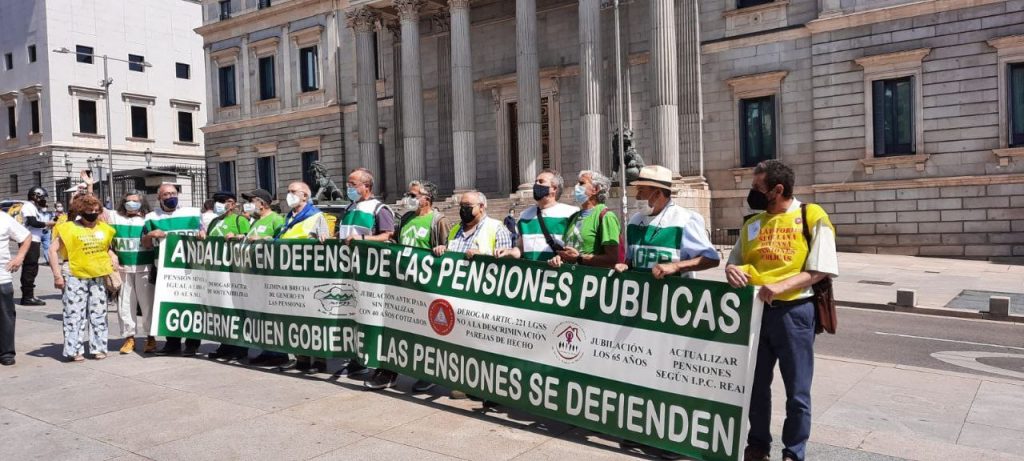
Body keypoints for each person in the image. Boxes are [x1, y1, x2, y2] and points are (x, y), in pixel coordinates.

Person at [724, 160, 838, 461]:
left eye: (757, 188)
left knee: (797, 391)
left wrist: (781, 286)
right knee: (756, 386)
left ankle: (793, 452)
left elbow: (821, 269)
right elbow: (733, 260)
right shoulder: (752, 223)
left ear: (778, 189)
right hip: (756, 314)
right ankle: (758, 445)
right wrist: (731, 269)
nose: (752, 193)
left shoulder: (811, 216)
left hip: (795, 312)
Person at [364, 180, 450, 391]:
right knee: (394, 328)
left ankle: (427, 372)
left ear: (426, 199)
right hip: (400, 283)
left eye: (413, 195)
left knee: (424, 333)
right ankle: (389, 370)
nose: (408, 198)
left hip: (425, 288)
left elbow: (448, 252)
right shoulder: (407, 218)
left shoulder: (438, 220)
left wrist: (442, 249)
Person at [432, 191, 512, 401]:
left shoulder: (497, 228)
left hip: (486, 301)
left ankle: (491, 388)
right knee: (462, 343)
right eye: (461, 205)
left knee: (487, 346)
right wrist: (443, 250)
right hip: (458, 299)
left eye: (468, 206)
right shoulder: (456, 230)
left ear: (482, 207)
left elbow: (508, 266)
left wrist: (484, 258)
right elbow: (450, 258)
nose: (463, 210)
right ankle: (465, 382)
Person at [337, 168, 394, 380]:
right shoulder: (349, 207)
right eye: (348, 184)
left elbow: (387, 236)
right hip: (347, 273)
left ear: (366, 187)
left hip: (370, 275)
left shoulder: (379, 209)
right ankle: (355, 360)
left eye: (353, 185)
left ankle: (375, 361)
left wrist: (362, 240)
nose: (348, 188)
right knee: (352, 317)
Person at [614, 165, 719, 279]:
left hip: (675, 293)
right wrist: (625, 265)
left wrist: (676, 266)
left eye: (641, 190)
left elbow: (712, 259)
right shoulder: (635, 220)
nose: (637, 196)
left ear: (658, 193)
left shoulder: (686, 220)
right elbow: (631, 258)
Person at [48, 194, 117, 362]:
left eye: (95, 210)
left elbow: (106, 248)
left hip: (97, 275)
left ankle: (99, 348)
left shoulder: (104, 228)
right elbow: (52, 251)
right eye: (88, 210)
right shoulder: (68, 228)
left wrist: (113, 257)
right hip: (74, 275)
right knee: (74, 314)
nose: (92, 213)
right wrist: (57, 275)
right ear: (80, 211)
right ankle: (74, 350)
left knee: (99, 313)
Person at [274, 181, 331, 373]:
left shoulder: (316, 216)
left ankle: (320, 360)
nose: (289, 195)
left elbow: (326, 244)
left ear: (305, 196)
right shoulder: (289, 216)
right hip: (290, 275)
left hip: (310, 275)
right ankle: (302, 358)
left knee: (315, 317)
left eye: (293, 192)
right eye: (288, 191)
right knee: (296, 317)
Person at [142, 183, 203, 356]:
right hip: (164, 269)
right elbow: (145, 244)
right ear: (159, 198)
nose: (170, 197)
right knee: (169, 304)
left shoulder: (192, 213)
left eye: (173, 193)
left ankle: (192, 343)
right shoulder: (151, 217)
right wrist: (150, 235)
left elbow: (203, 233)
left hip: (190, 268)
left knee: (191, 305)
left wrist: (202, 235)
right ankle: (172, 343)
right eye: (166, 194)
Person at [240, 189, 288, 366]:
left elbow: (281, 241)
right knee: (260, 313)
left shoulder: (275, 219)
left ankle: (278, 353)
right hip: (254, 272)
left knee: (271, 313)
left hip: (268, 273)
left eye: (252, 200)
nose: (249, 204)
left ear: (262, 203)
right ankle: (267, 349)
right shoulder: (255, 220)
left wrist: (265, 238)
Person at [107, 191, 157, 354]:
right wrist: (90, 186)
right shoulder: (115, 217)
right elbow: (97, 210)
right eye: (128, 201)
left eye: (135, 201)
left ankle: (151, 337)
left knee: (148, 304)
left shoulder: (148, 219)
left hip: (145, 267)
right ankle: (129, 338)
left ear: (142, 203)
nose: (131, 204)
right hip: (123, 268)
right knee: (125, 305)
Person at [496, 169, 578, 261]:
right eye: (536, 182)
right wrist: (509, 252)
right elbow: (520, 248)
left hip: (557, 272)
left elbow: (575, 249)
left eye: (541, 182)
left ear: (554, 188)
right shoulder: (524, 216)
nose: (536, 184)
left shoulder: (570, 213)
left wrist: (561, 258)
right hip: (531, 272)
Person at [548, 170, 621, 269]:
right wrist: (560, 258)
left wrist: (579, 258)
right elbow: (569, 251)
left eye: (581, 183)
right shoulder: (573, 217)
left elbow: (612, 259)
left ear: (595, 189)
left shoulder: (606, 217)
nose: (576, 186)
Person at [0, 211, 32, 366]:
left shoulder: (3, 218)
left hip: (2, 277)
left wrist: (19, 257)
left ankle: (6, 353)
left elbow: (26, 236)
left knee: (5, 316)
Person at [19, 187, 55, 305]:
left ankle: (29, 295)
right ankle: (27, 297)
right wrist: (47, 223)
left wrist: (46, 226)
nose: (44, 200)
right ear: (36, 196)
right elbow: (32, 223)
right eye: (43, 197)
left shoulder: (34, 208)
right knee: (30, 267)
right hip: (29, 240)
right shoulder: (28, 206)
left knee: (32, 267)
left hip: (34, 240)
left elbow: (37, 225)